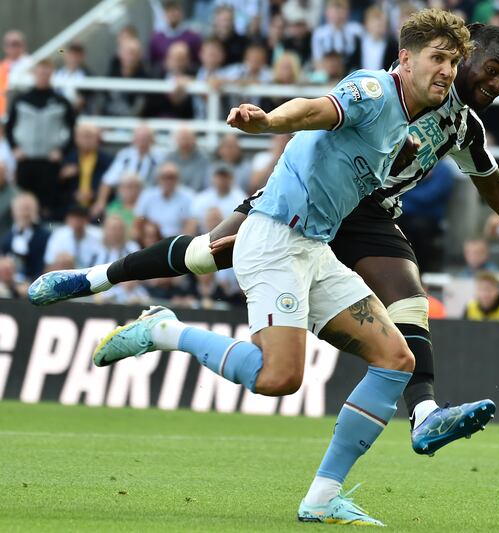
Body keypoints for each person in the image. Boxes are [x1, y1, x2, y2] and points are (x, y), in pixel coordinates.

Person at [29, 22, 499, 465]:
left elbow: (496, 188)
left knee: (409, 299)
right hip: (309, 195)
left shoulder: (463, 128)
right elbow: (318, 109)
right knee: (204, 255)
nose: (498, 85)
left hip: (367, 214)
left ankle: (425, 415)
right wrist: (269, 120)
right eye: (492, 71)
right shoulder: (384, 89)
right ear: (458, 58)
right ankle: (95, 279)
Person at [83, 10, 473, 526]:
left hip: (313, 249)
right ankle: (164, 330)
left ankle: (321, 498)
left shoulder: (406, 121)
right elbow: (315, 109)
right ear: (405, 59)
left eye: (453, 61)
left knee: (396, 360)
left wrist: (403, 146)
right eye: (437, 58)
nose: (447, 71)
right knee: (279, 378)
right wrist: (267, 121)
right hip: (272, 239)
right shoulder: (374, 92)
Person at [6, 59, 76, 221]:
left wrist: (61, 151)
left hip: (48, 162)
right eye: (40, 71)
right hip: (26, 160)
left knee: (46, 205)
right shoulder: (21, 100)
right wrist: (15, 148)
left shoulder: (61, 102)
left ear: (52, 73)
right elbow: (10, 127)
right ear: (34, 73)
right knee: (23, 200)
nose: (43, 75)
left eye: (47, 71)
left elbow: (72, 131)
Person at [91, 125, 161, 219]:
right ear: (133, 140)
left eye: (145, 139)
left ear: (152, 141)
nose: (142, 142)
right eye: (139, 139)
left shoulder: (159, 158)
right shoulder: (125, 156)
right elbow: (108, 180)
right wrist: (101, 202)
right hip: (124, 200)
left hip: (148, 201)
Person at [133, 162, 194, 238]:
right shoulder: (147, 195)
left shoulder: (188, 196)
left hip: (177, 241)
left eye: (171, 177)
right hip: (152, 241)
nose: (168, 181)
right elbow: (138, 220)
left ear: (178, 178)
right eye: (165, 177)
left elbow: (191, 224)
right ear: (158, 178)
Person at [59, 123, 113, 211]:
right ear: (76, 138)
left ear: (98, 139)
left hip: (96, 206)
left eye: (90, 136)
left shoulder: (107, 161)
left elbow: (112, 187)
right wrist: (61, 176)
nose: (87, 140)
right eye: (84, 136)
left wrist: (94, 195)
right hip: (70, 206)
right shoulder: (67, 159)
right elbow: (57, 189)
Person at [0, 193, 49, 280]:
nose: (25, 214)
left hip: (36, 283)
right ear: (13, 212)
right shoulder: (6, 237)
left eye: (29, 209)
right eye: (22, 209)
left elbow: (44, 266)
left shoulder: (44, 237)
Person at [43, 205, 103, 270]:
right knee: (63, 259)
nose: (77, 222)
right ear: (67, 219)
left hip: (93, 274)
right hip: (67, 275)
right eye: (73, 218)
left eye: (80, 218)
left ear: (87, 220)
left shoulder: (99, 235)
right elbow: (49, 264)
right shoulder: (59, 235)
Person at [311, 0, 363, 73]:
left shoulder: (357, 31)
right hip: (328, 73)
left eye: (341, 11)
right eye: (334, 11)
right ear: (327, 13)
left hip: (352, 72)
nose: (337, 15)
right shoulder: (320, 34)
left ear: (348, 12)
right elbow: (317, 59)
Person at [163, 128, 211, 192]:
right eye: (182, 138)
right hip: (173, 195)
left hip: (196, 196)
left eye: (188, 138)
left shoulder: (203, 159)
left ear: (194, 140)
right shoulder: (169, 157)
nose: (185, 142)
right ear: (176, 140)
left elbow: (201, 182)